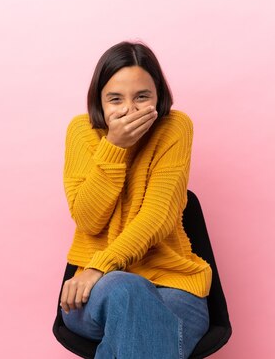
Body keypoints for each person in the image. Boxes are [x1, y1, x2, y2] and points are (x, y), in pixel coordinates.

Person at [59, 41, 213, 359]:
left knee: (133, 334)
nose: (129, 109)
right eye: (116, 99)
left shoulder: (174, 128)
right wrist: (114, 146)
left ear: (159, 96)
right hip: (97, 292)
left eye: (142, 97)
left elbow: (157, 216)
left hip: (175, 288)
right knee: (127, 289)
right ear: (99, 101)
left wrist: (99, 265)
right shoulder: (81, 132)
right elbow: (89, 220)